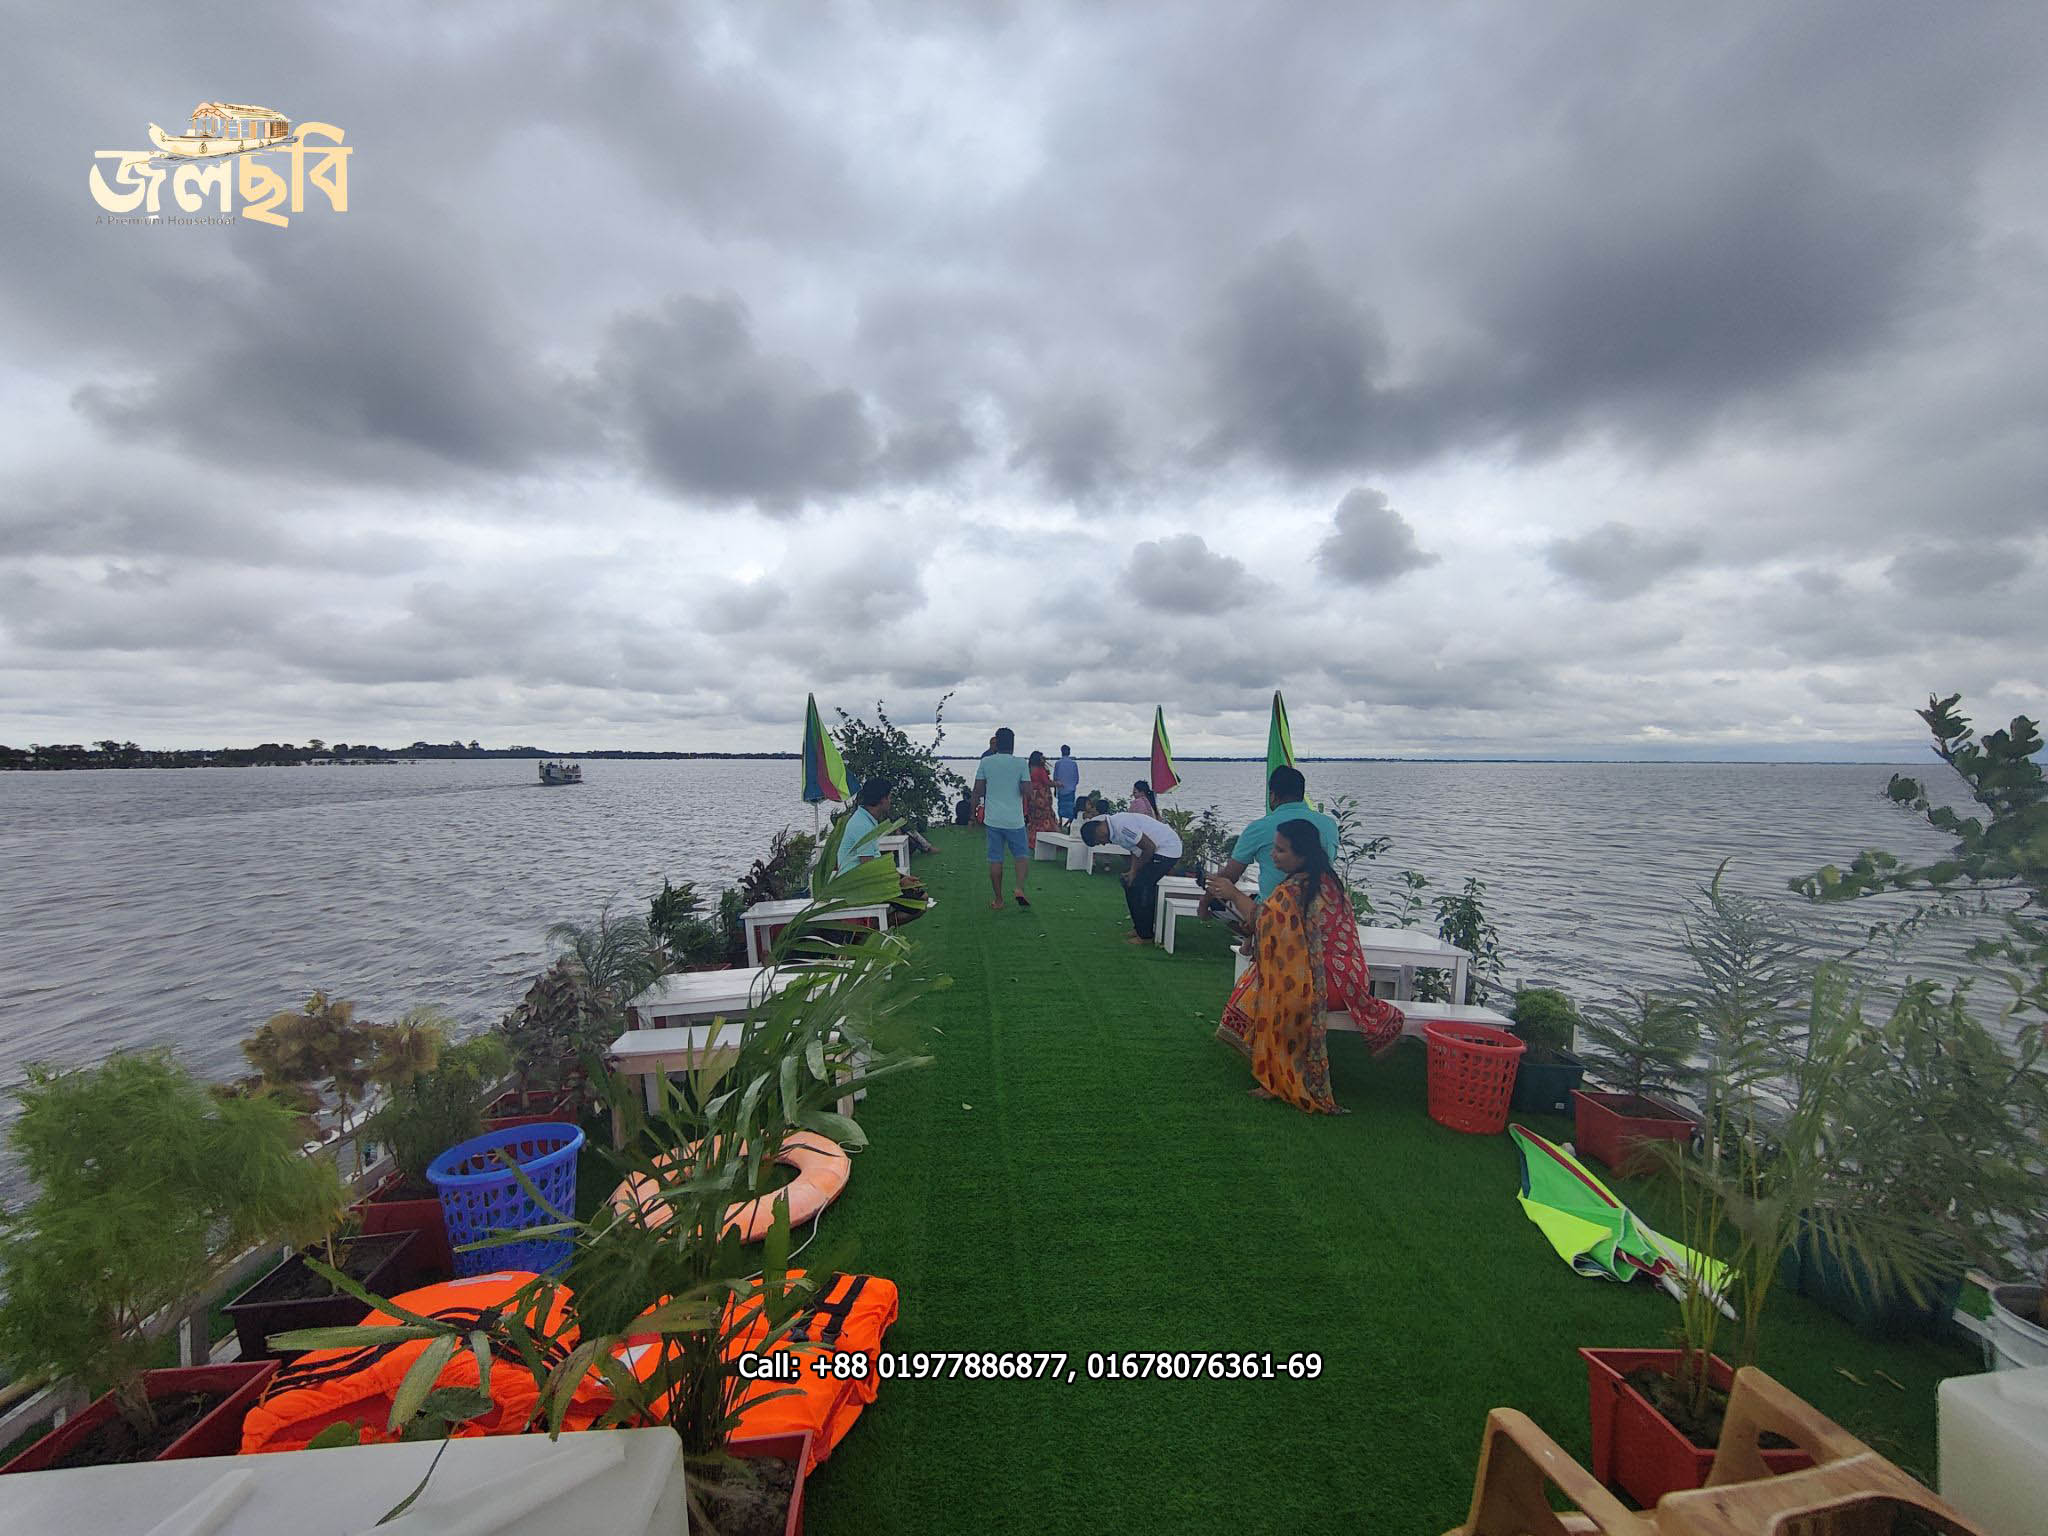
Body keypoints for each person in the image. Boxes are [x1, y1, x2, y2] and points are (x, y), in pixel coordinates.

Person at [1206, 820, 1404, 1113]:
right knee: (1261, 979)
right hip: (1348, 977)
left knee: (1270, 989)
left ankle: (1278, 1077)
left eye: (1281, 850)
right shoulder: (1325, 881)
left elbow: (1266, 921)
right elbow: (1280, 929)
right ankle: (1273, 1070)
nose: (1273, 855)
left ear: (1301, 855)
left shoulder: (1298, 889)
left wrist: (1234, 895)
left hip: (1326, 981)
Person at [1217, 765, 1340, 900]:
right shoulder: (1330, 824)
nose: (1273, 854)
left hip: (1274, 908)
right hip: (1322, 904)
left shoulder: (1259, 828)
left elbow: (1230, 875)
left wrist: (1206, 903)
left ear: (1273, 795)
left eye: (1279, 850)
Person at [1080, 807, 1183, 945]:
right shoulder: (1113, 832)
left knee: (1142, 887)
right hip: (1156, 850)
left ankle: (1146, 935)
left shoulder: (1122, 827)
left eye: (1099, 841)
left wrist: (1136, 872)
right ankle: (1139, 927)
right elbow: (1135, 849)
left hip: (1168, 849)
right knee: (1129, 884)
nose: (1103, 844)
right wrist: (1132, 872)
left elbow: (1149, 848)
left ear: (1099, 830)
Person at [972, 727, 1033, 910]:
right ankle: (1019, 887)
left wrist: (972, 815)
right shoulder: (1021, 763)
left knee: (995, 859)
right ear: (1013, 744)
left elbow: (978, 790)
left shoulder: (986, 762)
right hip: (1015, 820)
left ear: (996, 743)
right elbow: (1027, 791)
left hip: (993, 819)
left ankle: (998, 899)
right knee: (1021, 856)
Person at [835, 777, 892, 875]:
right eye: (890, 797)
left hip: (860, 877)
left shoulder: (864, 819)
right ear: (883, 799)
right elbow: (868, 867)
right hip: (856, 881)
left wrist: (900, 877)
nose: (890, 801)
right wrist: (899, 880)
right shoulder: (862, 825)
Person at [1025, 750, 1058, 851]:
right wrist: (1057, 784)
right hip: (1041, 796)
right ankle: (1050, 841)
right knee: (1046, 817)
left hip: (1032, 795)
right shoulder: (1040, 770)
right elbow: (1046, 782)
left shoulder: (1029, 769)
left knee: (1034, 819)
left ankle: (1032, 841)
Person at [1051, 745, 1081, 825]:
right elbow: (1076, 778)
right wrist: (1073, 786)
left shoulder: (1058, 763)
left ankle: (1060, 821)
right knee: (1071, 806)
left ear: (1061, 752)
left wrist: (1055, 789)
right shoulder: (1073, 763)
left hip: (1061, 789)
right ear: (1069, 752)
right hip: (1071, 789)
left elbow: (1055, 778)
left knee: (1061, 806)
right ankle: (1069, 823)